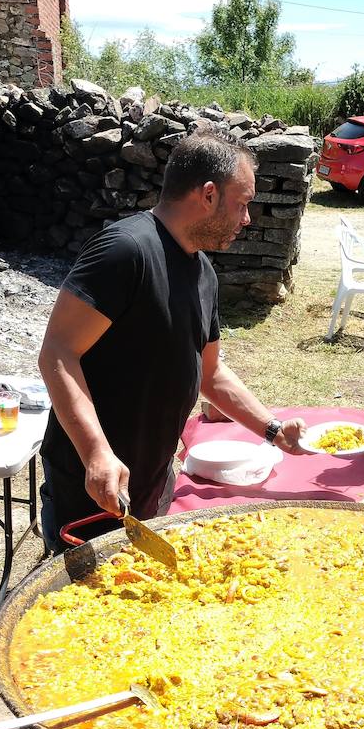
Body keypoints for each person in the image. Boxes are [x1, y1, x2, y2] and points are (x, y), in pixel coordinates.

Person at [37, 130, 307, 549]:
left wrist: (271, 430)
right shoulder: (125, 251)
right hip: (92, 483)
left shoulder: (203, 273)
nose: (248, 218)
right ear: (209, 195)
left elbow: (210, 373)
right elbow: (57, 353)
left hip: (154, 480)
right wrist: (96, 453)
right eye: (244, 203)